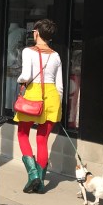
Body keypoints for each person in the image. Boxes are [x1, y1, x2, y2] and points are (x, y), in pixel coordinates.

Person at [14, 19, 63, 193]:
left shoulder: (28, 51)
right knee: (42, 140)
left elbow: (26, 75)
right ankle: (40, 182)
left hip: (33, 95)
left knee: (22, 133)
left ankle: (33, 174)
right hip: (52, 97)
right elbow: (60, 86)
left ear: (36, 33)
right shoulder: (56, 55)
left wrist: (19, 79)